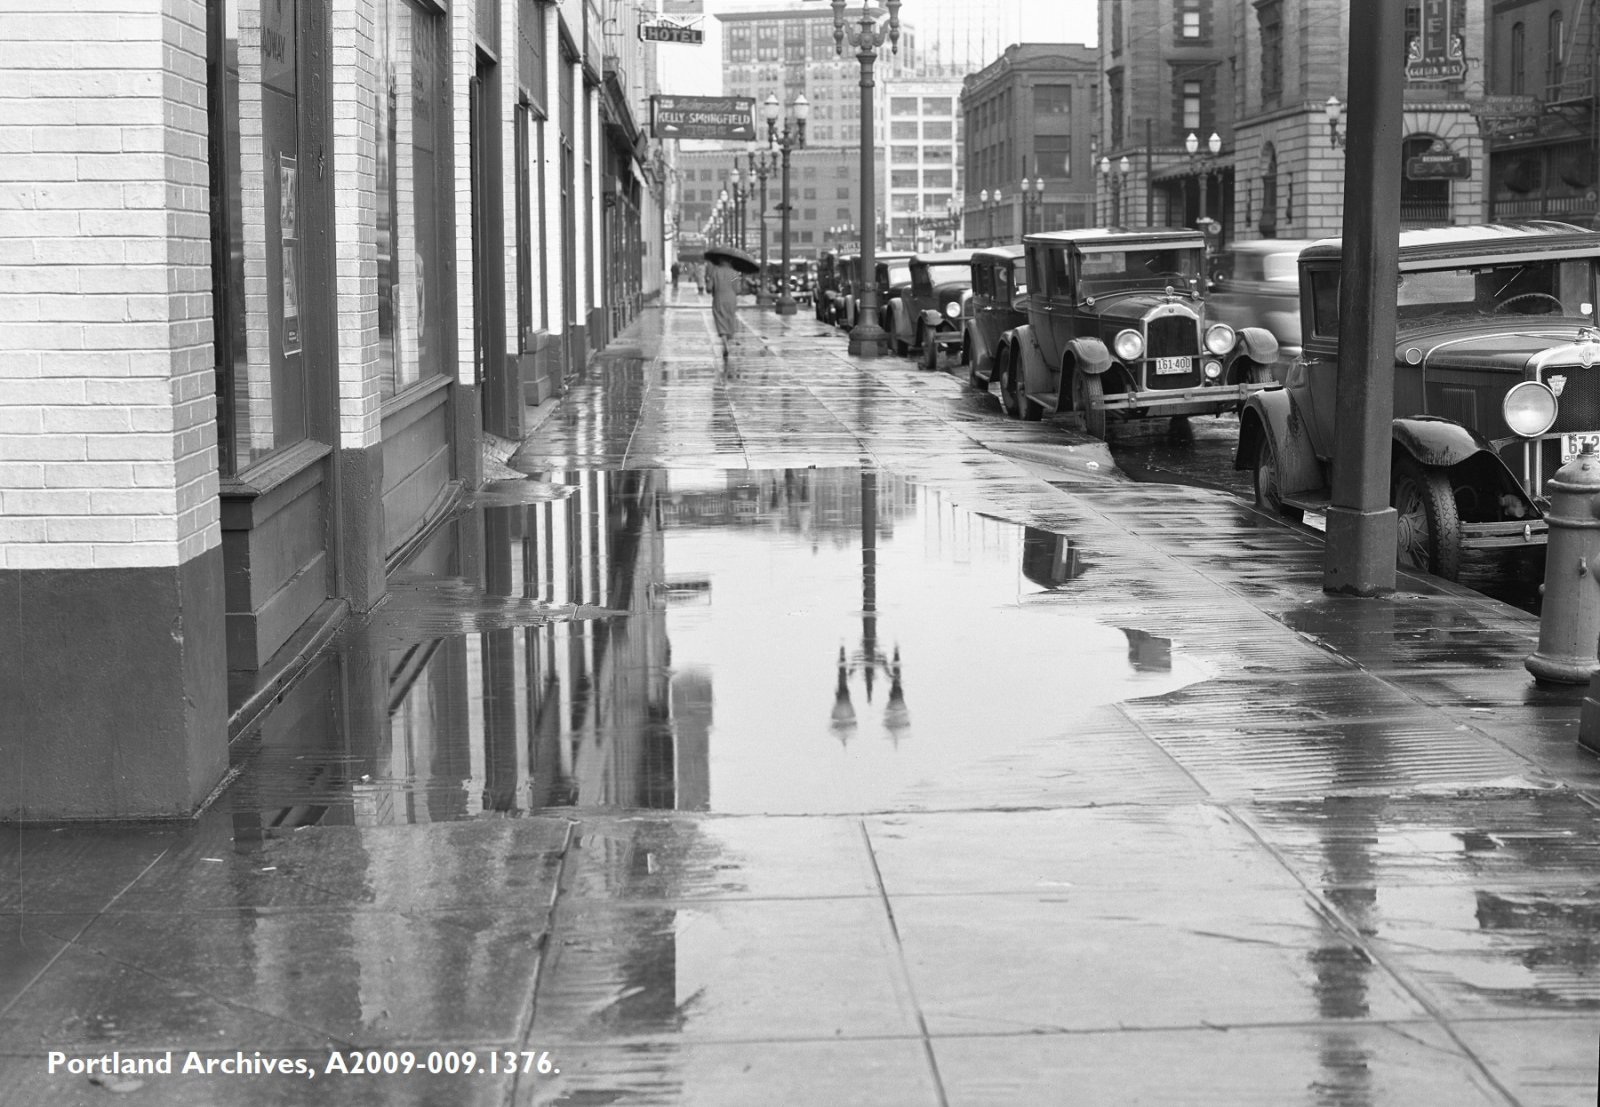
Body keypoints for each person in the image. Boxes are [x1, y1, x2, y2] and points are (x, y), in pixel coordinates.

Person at [707, 255, 740, 361]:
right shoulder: (734, 273)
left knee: (720, 319)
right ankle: (728, 337)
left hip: (719, 297)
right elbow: (738, 289)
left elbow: (708, 288)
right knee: (729, 319)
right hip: (731, 298)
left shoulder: (715, 271)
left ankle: (724, 342)